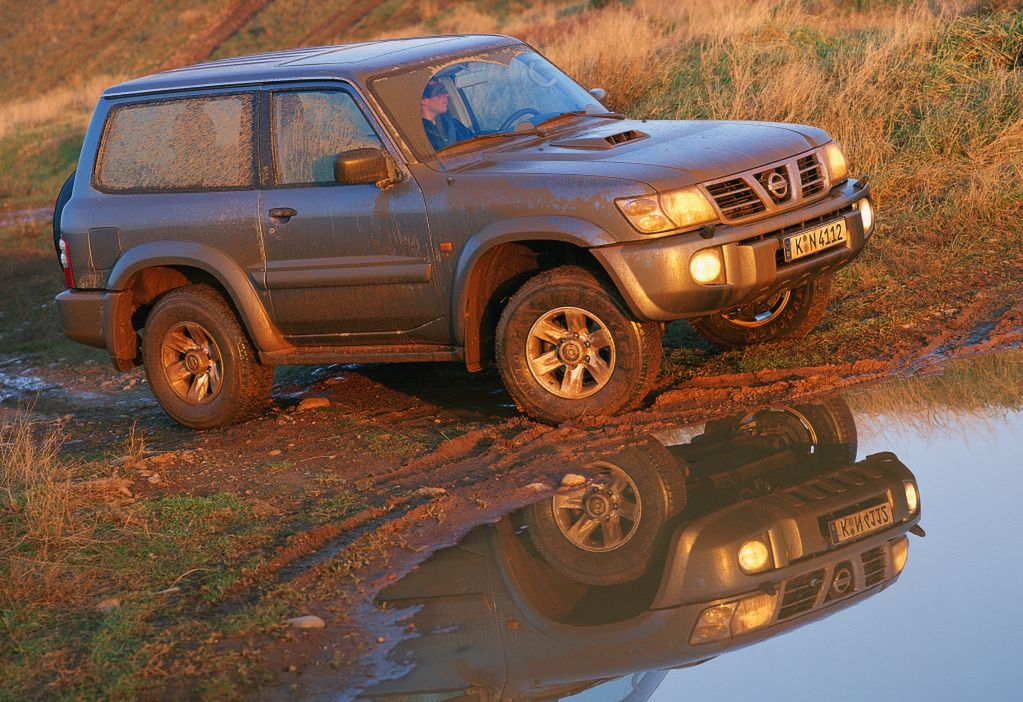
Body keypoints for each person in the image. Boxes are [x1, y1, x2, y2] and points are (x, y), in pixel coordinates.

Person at [420, 77, 473, 151]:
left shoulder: (454, 125)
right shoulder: (419, 136)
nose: (447, 95)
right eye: (440, 92)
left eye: (445, 91)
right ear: (424, 100)